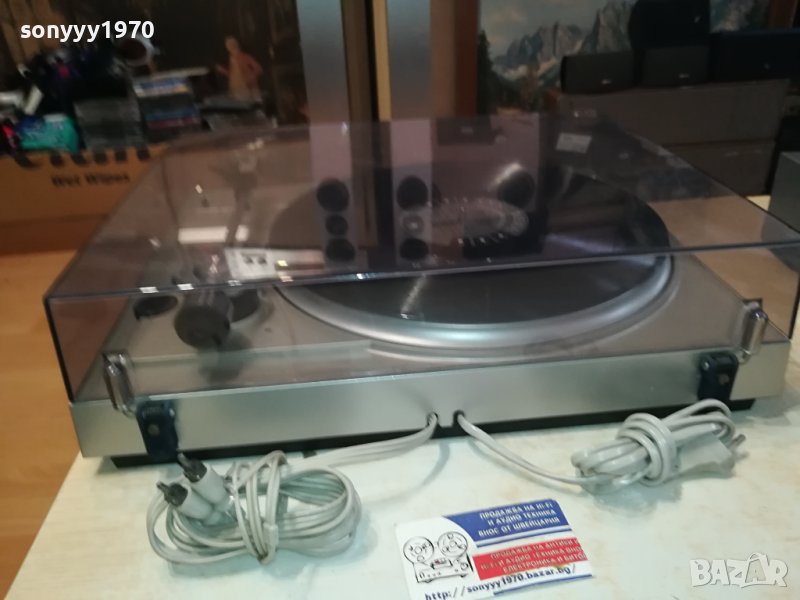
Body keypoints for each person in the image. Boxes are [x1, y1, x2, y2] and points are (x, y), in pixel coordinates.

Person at [216, 36, 263, 102]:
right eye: (227, 46)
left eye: (230, 45)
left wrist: (250, 78)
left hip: (248, 93)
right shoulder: (232, 59)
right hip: (238, 93)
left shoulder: (244, 57)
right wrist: (223, 70)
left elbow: (259, 69)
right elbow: (233, 77)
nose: (228, 48)